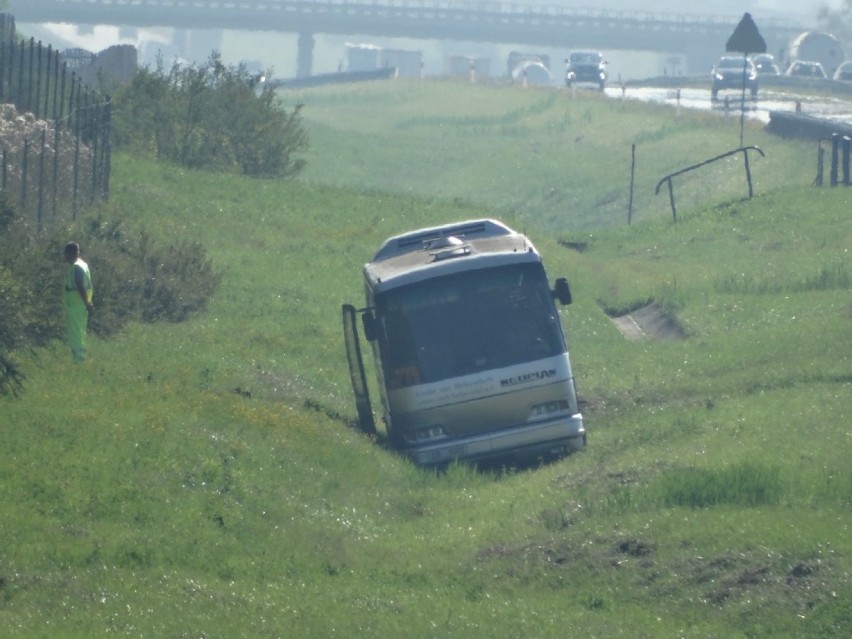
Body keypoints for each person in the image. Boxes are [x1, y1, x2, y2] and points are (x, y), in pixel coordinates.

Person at [63, 241, 94, 362]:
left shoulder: (76, 268)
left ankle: (78, 360)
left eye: (66, 253)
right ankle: (81, 358)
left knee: (75, 334)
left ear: (71, 253)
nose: (64, 256)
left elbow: (80, 285)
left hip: (76, 306)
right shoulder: (82, 265)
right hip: (80, 305)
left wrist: (88, 303)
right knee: (80, 333)